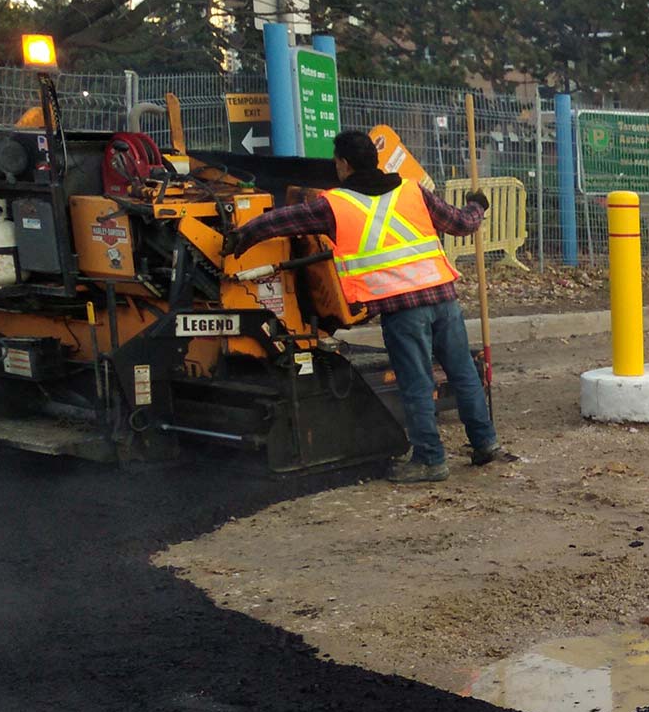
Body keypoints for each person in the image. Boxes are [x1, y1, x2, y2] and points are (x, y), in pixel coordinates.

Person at [218, 129, 511, 483]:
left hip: (404, 311)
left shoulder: (335, 204)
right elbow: (462, 223)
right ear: (375, 158)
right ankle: (485, 444)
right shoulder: (410, 189)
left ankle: (431, 460)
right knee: (463, 373)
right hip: (442, 298)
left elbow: (284, 220)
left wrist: (243, 234)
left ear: (342, 164)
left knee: (416, 384)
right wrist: (478, 204)